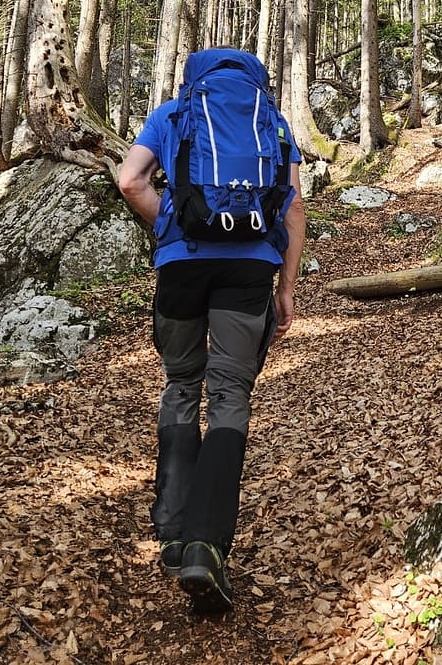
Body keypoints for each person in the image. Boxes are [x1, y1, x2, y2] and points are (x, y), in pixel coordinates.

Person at [117, 48, 306, 614]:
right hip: (248, 268)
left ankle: (173, 534)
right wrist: (287, 287)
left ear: (193, 78)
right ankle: (206, 543)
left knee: (180, 383)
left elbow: (130, 181)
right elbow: (293, 210)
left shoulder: (173, 114)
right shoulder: (271, 122)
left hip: (181, 264)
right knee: (230, 395)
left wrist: (172, 226)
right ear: (255, 81)